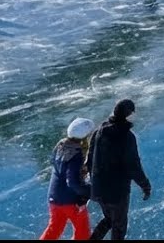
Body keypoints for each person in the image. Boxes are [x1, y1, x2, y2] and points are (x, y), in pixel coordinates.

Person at [86, 99, 151, 241]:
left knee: (109, 219)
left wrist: (94, 183)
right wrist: (145, 186)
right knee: (119, 225)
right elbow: (134, 167)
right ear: (129, 115)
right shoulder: (127, 137)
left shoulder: (98, 132)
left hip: (99, 189)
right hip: (118, 192)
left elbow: (89, 160)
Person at [40, 117, 95, 240]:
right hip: (70, 202)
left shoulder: (60, 146)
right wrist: (91, 192)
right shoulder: (76, 155)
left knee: (54, 228)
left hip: (54, 197)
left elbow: (57, 165)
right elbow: (72, 182)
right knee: (82, 232)